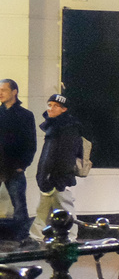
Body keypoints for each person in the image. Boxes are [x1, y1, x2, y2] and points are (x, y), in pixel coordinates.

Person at [33, 94, 81, 242]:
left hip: (58, 178)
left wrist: (59, 176)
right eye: (49, 105)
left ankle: (71, 238)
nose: (51, 108)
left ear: (64, 109)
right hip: (49, 176)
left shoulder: (68, 128)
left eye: (55, 106)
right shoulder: (54, 126)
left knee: (64, 208)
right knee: (44, 209)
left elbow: (67, 155)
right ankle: (37, 237)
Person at [0, 79, 36, 243]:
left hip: (13, 167)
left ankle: (22, 237)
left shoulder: (25, 116)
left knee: (19, 204)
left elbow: (30, 143)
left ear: (14, 92)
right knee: (19, 202)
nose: (0, 93)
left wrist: (22, 165)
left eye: (4, 90)